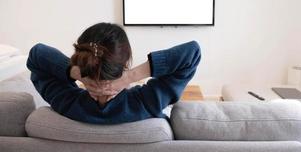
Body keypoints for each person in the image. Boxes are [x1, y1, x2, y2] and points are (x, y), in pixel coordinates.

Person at [26, 22, 201, 124]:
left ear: (81, 59)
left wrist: (79, 75)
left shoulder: (66, 104)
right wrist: (129, 77)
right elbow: (192, 52)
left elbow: (37, 54)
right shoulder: (147, 104)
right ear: (125, 63)